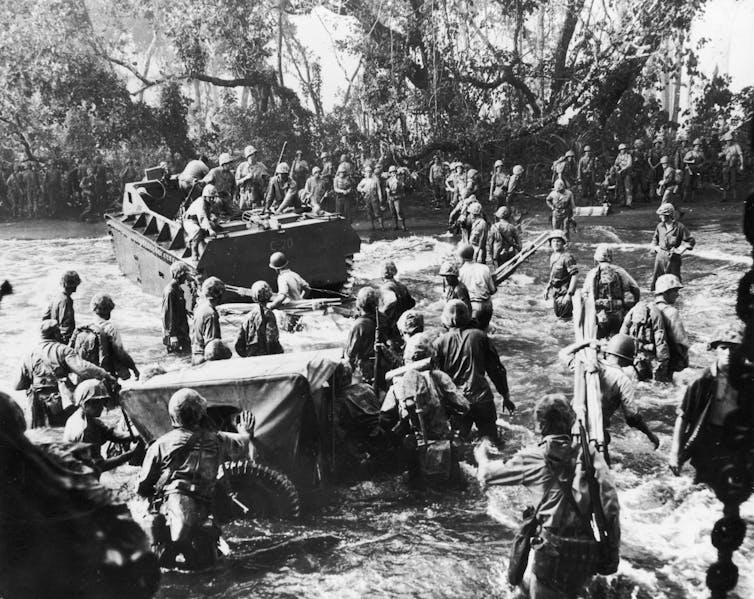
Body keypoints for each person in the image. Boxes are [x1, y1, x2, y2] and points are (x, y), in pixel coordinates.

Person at [475, 394, 620, 598]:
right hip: (585, 553)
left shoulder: (533, 457)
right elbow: (611, 506)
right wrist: (613, 553)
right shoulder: (591, 455)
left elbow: (487, 475)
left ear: (539, 425)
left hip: (552, 551)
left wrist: (481, 457)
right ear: (570, 422)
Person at [137, 388, 255, 569]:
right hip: (202, 511)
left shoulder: (160, 445)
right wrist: (245, 431)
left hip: (172, 514)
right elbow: (243, 443)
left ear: (173, 416)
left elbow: (143, 487)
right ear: (200, 414)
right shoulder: (218, 440)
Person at [559, 333, 660, 456]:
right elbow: (632, 417)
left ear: (608, 352)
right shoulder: (623, 380)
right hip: (596, 433)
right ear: (627, 360)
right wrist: (650, 435)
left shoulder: (587, 364)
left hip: (571, 425)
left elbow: (563, 354)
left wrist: (586, 342)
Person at [668, 323, 743, 484]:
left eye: (734, 348)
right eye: (724, 348)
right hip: (707, 439)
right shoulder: (701, 380)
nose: (729, 353)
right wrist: (675, 452)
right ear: (715, 349)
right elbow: (683, 417)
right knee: (702, 486)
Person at [432, 300, 514, 444]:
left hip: (457, 402)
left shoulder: (439, 343)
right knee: (491, 442)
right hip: (482, 398)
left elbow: (436, 378)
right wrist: (505, 396)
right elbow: (496, 370)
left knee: (458, 441)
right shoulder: (480, 336)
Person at [15, 320, 114, 428]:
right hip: (57, 401)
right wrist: (105, 374)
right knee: (61, 433)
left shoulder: (29, 353)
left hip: (35, 402)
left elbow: (18, 385)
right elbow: (83, 369)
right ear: (56, 333)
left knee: (41, 434)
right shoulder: (63, 350)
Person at [63, 379, 140, 474]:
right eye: (98, 403)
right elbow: (100, 466)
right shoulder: (84, 429)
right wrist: (131, 454)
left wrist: (139, 434)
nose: (102, 407)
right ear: (86, 403)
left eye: (103, 402)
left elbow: (111, 435)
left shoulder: (85, 417)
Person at [621, 274, 688, 382]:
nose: (677, 295)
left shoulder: (640, 310)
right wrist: (682, 364)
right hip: (663, 366)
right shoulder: (671, 312)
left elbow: (622, 336)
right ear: (666, 292)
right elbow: (681, 343)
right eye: (675, 291)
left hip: (640, 362)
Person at [582, 245, 640, 339]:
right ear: (610, 257)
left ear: (596, 258)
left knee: (600, 340)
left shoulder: (592, 273)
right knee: (616, 340)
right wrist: (632, 308)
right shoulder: (620, 271)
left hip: (600, 314)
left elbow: (584, 294)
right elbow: (636, 288)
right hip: (618, 313)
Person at [77, 293, 140, 381]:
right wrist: (134, 369)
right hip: (105, 374)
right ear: (109, 309)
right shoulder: (110, 329)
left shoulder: (85, 327)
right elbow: (120, 353)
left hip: (86, 373)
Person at [650, 202, 695, 291]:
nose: (660, 217)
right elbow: (654, 240)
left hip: (673, 258)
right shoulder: (659, 226)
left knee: (674, 281)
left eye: (662, 215)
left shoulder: (679, 227)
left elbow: (691, 240)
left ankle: (675, 297)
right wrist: (656, 247)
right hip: (660, 258)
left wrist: (681, 250)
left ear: (668, 215)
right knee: (658, 280)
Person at [234, 281, 283, 357]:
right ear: (269, 295)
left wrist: (247, 355)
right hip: (266, 357)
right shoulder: (268, 314)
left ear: (254, 297)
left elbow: (238, 343)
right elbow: (272, 340)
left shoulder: (247, 316)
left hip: (250, 356)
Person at [458, 243, 496, 330]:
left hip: (473, 308)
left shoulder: (460, 272)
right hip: (487, 307)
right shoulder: (484, 268)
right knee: (484, 333)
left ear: (461, 257)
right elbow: (492, 290)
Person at [544, 230, 578, 319]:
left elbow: (574, 276)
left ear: (563, 243)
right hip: (556, 293)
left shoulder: (567, 258)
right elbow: (552, 275)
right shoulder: (553, 256)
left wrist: (569, 295)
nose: (555, 243)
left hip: (564, 293)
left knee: (565, 320)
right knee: (558, 317)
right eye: (553, 241)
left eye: (558, 241)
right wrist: (547, 288)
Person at [183, 184, 222, 260]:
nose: (212, 199)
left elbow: (209, 214)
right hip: (190, 222)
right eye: (210, 198)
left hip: (199, 221)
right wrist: (210, 230)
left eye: (213, 197)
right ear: (205, 196)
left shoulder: (209, 203)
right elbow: (202, 217)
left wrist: (213, 218)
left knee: (214, 225)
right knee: (197, 231)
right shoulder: (200, 203)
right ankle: (194, 252)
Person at [191, 277, 224, 365]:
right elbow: (212, 346)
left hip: (196, 356)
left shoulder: (200, 308)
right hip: (205, 360)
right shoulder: (211, 314)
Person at [43, 270, 81, 344]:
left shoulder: (56, 297)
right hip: (61, 342)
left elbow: (45, 318)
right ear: (75, 285)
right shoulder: (67, 300)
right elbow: (66, 328)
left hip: (52, 339)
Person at [162, 261, 192, 354]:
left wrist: (185, 311)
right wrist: (172, 336)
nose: (187, 277)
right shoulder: (170, 291)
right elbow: (168, 315)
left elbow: (175, 308)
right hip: (176, 335)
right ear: (180, 274)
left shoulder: (178, 289)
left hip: (182, 332)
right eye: (185, 274)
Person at [236, 145, 267, 210]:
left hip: (257, 196)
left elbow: (267, 182)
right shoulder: (242, 166)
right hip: (244, 195)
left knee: (258, 214)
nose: (255, 156)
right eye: (253, 154)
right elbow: (236, 182)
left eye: (255, 154)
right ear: (248, 156)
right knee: (242, 214)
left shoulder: (261, 166)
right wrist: (246, 178)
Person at [357, 164, 385, 230]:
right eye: (367, 172)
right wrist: (362, 190)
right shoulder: (364, 180)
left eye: (370, 172)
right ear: (365, 173)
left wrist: (380, 198)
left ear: (372, 172)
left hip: (374, 197)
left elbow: (378, 189)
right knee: (369, 212)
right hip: (367, 197)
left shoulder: (375, 180)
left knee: (377, 212)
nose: (368, 173)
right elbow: (358, 187)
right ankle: (372, 226)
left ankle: (381, 226)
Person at [720, 132, 744, 202]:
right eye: (727, 140)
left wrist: (742, 164)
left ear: (732, 140)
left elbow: (740, 155)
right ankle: (724, 197)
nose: (728, 142)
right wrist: (722, 153)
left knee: (734, 181)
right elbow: (722, 156)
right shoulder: (725, 147)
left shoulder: (736, 146)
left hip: (733, 165)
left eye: (729, 140)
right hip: (726, 165)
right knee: (725, 181)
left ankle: (734, 197)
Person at [386, 165, 408, 231]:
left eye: (394, 172)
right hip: (391, 197)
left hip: (397, 197)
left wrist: (398, 180)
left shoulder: (399, 179)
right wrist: (388, 197)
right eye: (392, 172)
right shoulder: (388, 180)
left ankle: (403, 225)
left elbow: (402, 187)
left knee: (399, 211)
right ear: (390, 173)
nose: (393, 173)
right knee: (393, 212)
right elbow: (387, 188)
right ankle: (395, 225)